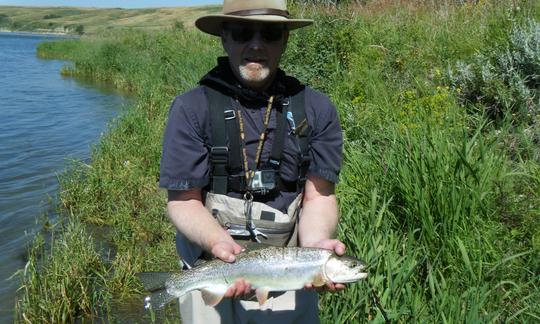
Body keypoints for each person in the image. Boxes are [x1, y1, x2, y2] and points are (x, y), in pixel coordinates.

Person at [159, 0, 345, 322]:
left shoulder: (317, 109)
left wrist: (314, 248)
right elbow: (183, 201)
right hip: (209, 259)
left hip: (285, 269)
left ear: (285, 39)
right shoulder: (191, 109)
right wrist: (220, 245)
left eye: (270, 33)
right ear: (225, 37)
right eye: (243, 32)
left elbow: (320, 196)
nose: (256, 45)